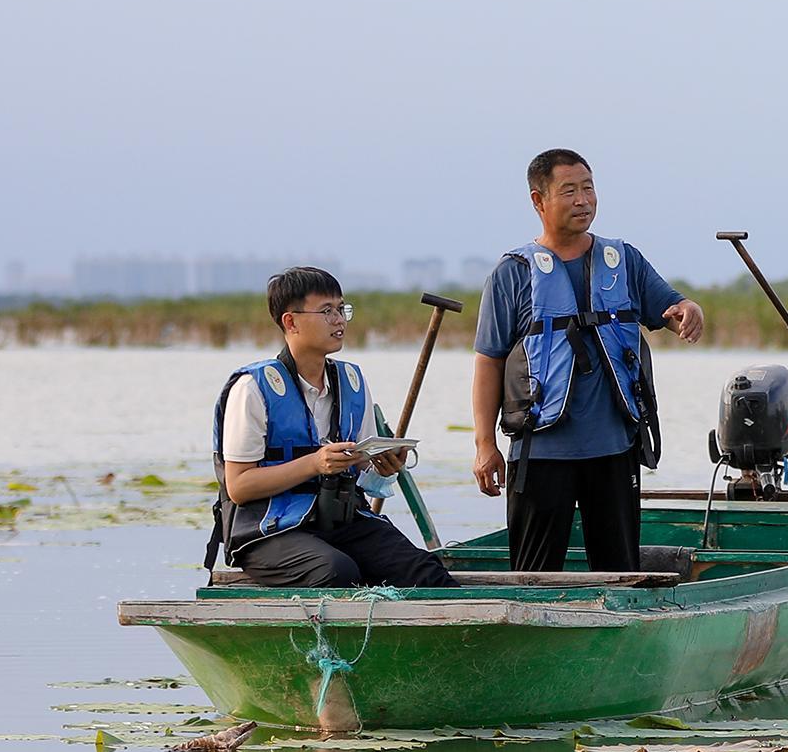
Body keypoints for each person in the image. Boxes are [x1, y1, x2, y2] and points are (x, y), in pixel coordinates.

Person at [471, 149, 706, 571]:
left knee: (619, 570)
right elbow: (489, 362)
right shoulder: (512, 273)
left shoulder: (623, 259)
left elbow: (669, 308)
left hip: (613, 449)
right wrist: (485, 445)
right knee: (534, 577)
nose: (583, 200)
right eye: (569, 191)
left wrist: (688, 310)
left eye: (589, 188)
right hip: (540, 451)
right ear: (538, 201)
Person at [209, 267, 457, 588]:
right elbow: (239, 486)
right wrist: (314, 463)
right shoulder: (254, 387)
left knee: (426, 573)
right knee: (337, 571)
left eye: (342, 309)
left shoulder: (351, 381)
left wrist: (385, 467)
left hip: (340, 521)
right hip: (269, 532)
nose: (339, 320)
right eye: (327, 311)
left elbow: (364, 473)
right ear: (291, 322)